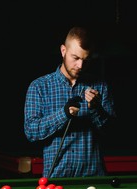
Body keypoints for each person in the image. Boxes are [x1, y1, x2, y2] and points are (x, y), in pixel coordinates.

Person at [24, 26, 116, 178]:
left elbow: (112, 132)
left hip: (94, 178)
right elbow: (31, 131)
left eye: (86, 60)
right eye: (76, 58)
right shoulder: (39, 87)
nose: (80, 66)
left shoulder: (100, 86)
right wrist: (63, 114)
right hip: (56, 179)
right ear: (63, 51)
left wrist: (96, 110)